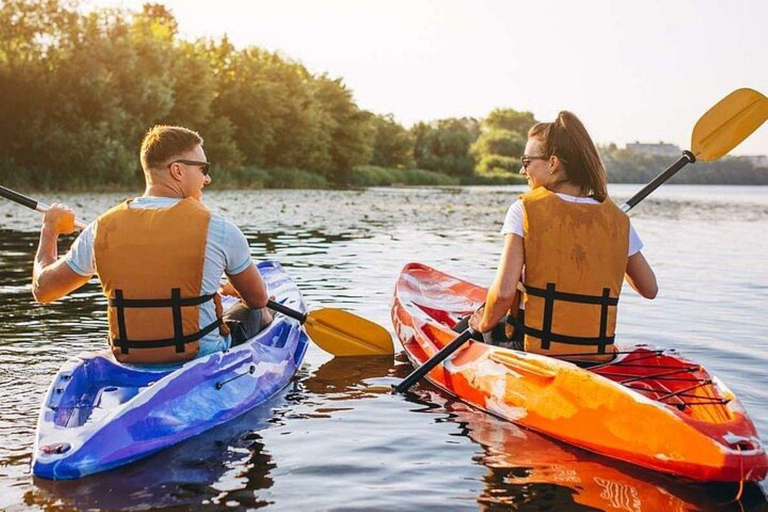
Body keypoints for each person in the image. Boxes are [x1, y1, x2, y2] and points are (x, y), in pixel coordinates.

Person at [31, 125, 272, 365]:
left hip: (130, 356)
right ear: (178, 170)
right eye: (203, 168)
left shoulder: (101, 228)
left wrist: (49, 230)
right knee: (259, 311)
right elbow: (257, 299)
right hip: (201, 356)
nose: (207, 178)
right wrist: (235, 290)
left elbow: (43, 290)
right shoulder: (218, 228)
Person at [469, 112, 657, 362]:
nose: (522, 170)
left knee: (470, 324)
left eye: (527, 161)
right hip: (595, 353)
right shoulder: (616, 220)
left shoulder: (524, 210)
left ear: (553, 163)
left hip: (532, 349)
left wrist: (482, 324)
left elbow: (503, 294)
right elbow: (649, 288)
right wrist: (609, 244)